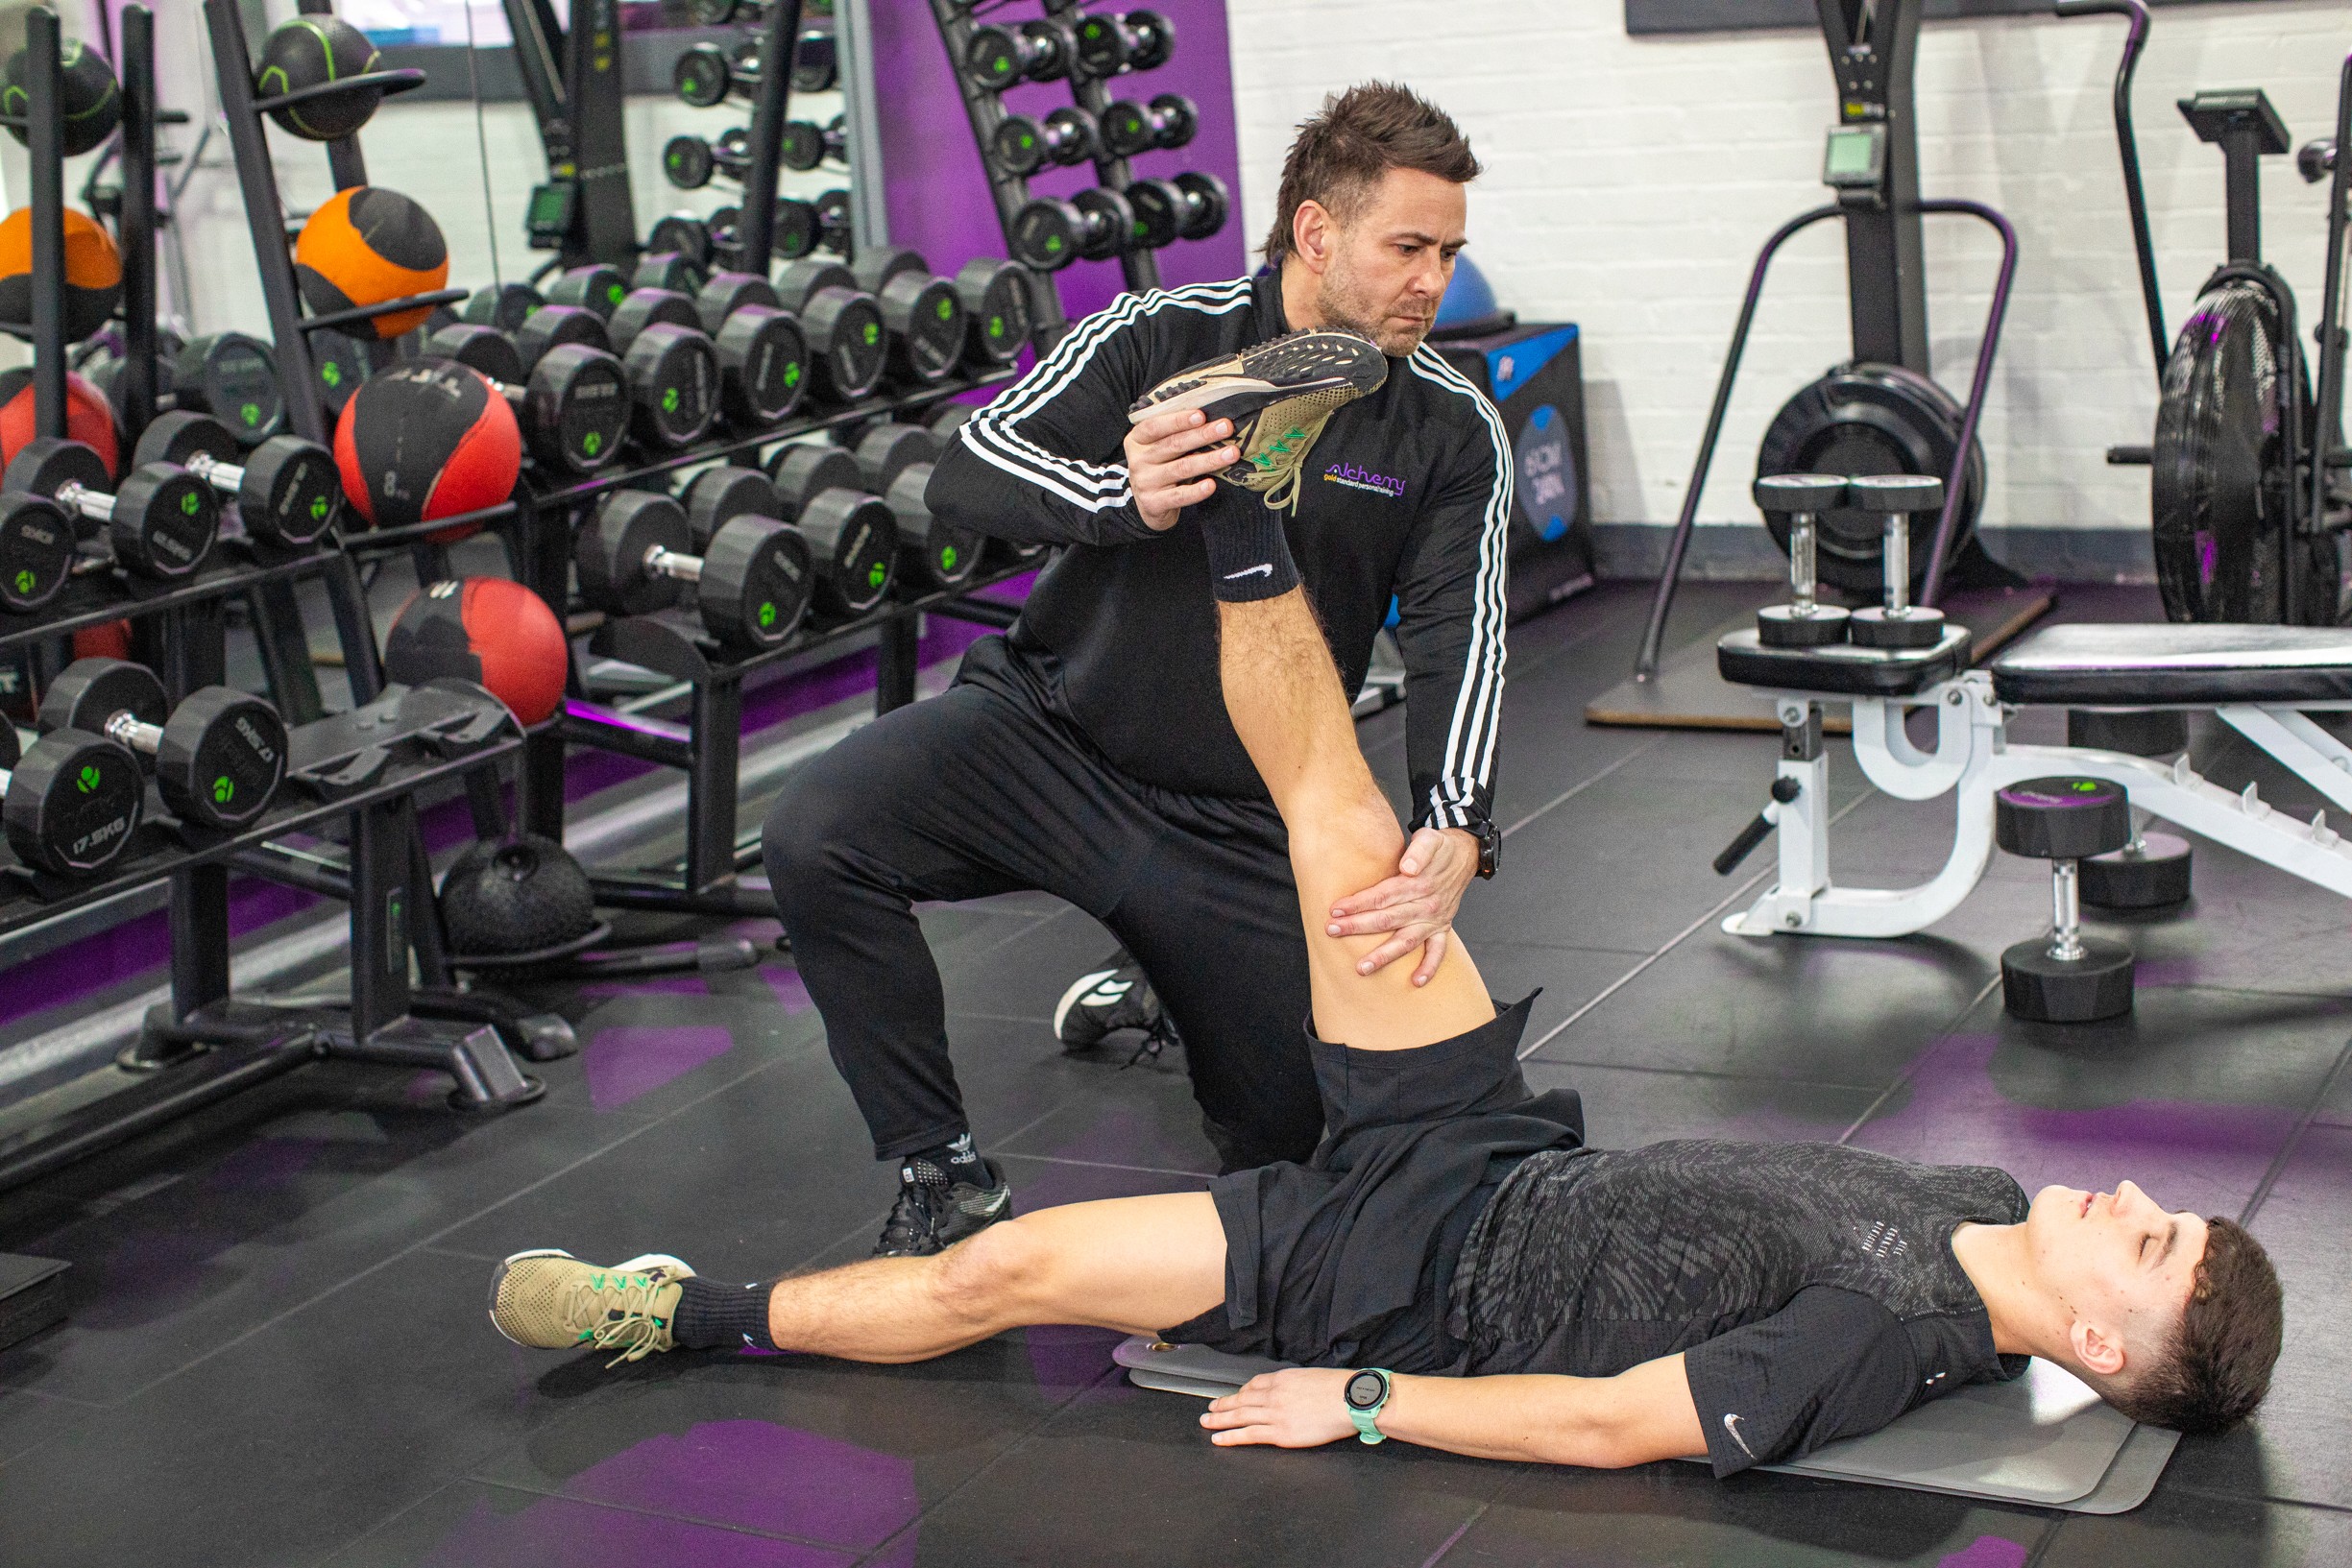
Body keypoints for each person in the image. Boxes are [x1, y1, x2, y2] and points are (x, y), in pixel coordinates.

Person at [492, 478, 2284, 1473]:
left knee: (1005, 1270)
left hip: (1404, 1280)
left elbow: (1609, 1423)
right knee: (1346, 832)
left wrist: (1364, 1401)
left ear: (2099, 1347)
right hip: (1491, 1144)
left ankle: (684, 1311)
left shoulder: (1883, 1345)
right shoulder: (1982, 1201)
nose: (2126, 1198)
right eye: (2160, 1210)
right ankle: (1242, 503)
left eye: (2144, 1244)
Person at [762, 81, 1513, 1256]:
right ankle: (940, 1166)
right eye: (1407, 248)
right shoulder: (1158, 334)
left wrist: (1457, 822)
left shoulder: (1451, 428)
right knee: (816, 834)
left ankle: (1166, 965)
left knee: (1293, 1147)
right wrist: (1125, 493)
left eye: (1449, 253)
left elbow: (1459, 635)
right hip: (1050, 736)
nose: (1434, 281)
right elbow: (969, 467)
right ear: (1317, 232)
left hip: (1234, 813)